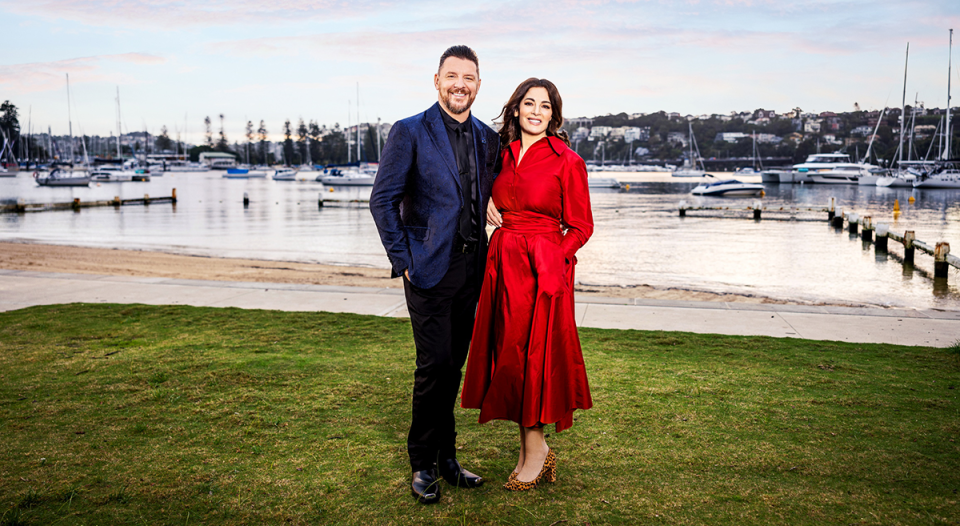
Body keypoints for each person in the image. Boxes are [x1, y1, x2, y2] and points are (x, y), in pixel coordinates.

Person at [369, 45, 501, 504]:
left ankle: (448, 457)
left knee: (454, 365)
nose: (460, 84)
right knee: (433, 366)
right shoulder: (409, 131)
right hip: (426, 267)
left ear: (478, 85)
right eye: (452, 75)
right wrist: (403, 259)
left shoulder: (488, 138)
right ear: (437, 80)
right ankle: (422, 463)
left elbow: (493, 193)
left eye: (469, 77)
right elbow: (382, 200)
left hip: (471, 267)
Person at [460, 78, 594, 491]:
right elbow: (475, 189)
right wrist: (484, 201)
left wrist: (555, 256)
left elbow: (582, 226)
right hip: (502, 264)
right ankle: (529, 451)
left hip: (544, 268)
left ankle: (537, 451)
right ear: (516, 109)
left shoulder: (567, 161)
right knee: (510, 355)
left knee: (535, 356)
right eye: (529, 103)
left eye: (545, 106)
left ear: (553, 115)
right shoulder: (498, 156)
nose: (536, 111)